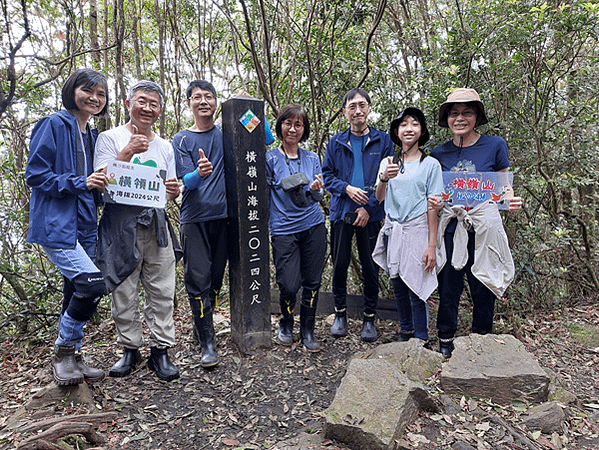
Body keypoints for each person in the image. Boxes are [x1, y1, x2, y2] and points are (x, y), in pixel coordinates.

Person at [26, 68, 110, 385]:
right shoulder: (54, 124)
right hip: (56, 223)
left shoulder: (91, 136)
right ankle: (62, 351)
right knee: (92, 284)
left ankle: (73, 356)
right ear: (72, 91)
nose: (94, 97)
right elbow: (35, 174)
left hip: (86, 223)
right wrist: (81, 182)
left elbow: (95, 182)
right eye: (87, 90)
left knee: (74, 287)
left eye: (101, 94)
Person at [94, 80, 182, 381]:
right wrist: (127, 151)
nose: (147, 108)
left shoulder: (166, 146)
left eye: (154, 104)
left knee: (162, 288)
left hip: (156, 224)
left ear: (160, 110)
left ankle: (161, 351)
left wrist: (174, 190)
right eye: (142, 101)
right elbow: (101, 183)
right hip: (120, 224)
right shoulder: (109, 138)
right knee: (123, 288)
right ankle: (130, 348)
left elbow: (168, 191)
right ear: (129, 102)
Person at [428, 88, 522, 358]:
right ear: (447, 118)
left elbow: (503, 187)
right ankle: (445, 341)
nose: (460, 118)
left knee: (483, 284)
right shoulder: (438, 152)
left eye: (467, 112)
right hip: (451, 226)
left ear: (476, 116)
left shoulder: (494, 145)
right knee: (449, 286)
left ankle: (482, 341)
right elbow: (436, 193)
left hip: (483, 227)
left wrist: (510, 200)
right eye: (454, 113)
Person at [322, 88, 393, 342]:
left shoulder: (383, 140)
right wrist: (347, 189)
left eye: (362, 105)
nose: (357, 111)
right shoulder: (336, 142)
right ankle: (340, 314)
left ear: (369, 108)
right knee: (339, 264)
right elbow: (327, 176)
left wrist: (369, 207)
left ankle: (369, 318)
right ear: (344, 112)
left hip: (371, 215)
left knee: (371, 266)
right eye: (352, 106)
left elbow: (388, 178)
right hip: (342, 212)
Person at [372, 108, 443, 344]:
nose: (409, 128)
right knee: (398, 284)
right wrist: (384, 178)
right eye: (403, 124)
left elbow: (433, 205)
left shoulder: (431, 164)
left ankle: (421, 338)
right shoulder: (388, 162)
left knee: (417, 286)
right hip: (394, 230)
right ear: (396, 131)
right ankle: (406, 333)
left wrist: (432, 244)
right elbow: (379, 198)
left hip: (419, 229)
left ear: (422, 131)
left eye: (414, 124)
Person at [171, 80, 227, 368]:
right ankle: (208, 341)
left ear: (216, 102)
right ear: (189, 103)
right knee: (197, 280)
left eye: (209, 96)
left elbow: (265, 139)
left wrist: (248, 105)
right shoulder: (181, 139)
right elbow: (185, 182)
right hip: (194, 218)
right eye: (197, 97)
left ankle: (202, 325)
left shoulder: (227, 132)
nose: (203, 101)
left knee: (216, 279)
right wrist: (199, 172)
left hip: (225, 219)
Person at [266, 104, 326, 352]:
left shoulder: (312, 158)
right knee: (289, 284)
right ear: (280, 126)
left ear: (305, 128)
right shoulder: (269, 158)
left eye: (298, 124)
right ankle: (287, 322)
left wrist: (316, 190)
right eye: (288, 123)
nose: (293, 129)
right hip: (283, 229)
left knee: (312, 281)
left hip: (313, 225)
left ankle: (308, 330)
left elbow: (319, 196)